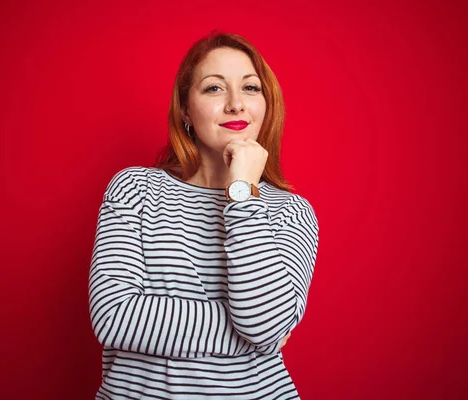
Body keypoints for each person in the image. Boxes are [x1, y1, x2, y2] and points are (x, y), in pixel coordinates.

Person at [88, 31, 320, 399]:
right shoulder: (135, 189)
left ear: (266, 104)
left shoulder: (291, 212)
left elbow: (266, 327)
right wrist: (251, 336)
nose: (235, 105)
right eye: (214, 88)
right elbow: (115, 317)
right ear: (185, 110)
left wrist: (242, 190)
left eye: (250, 88)